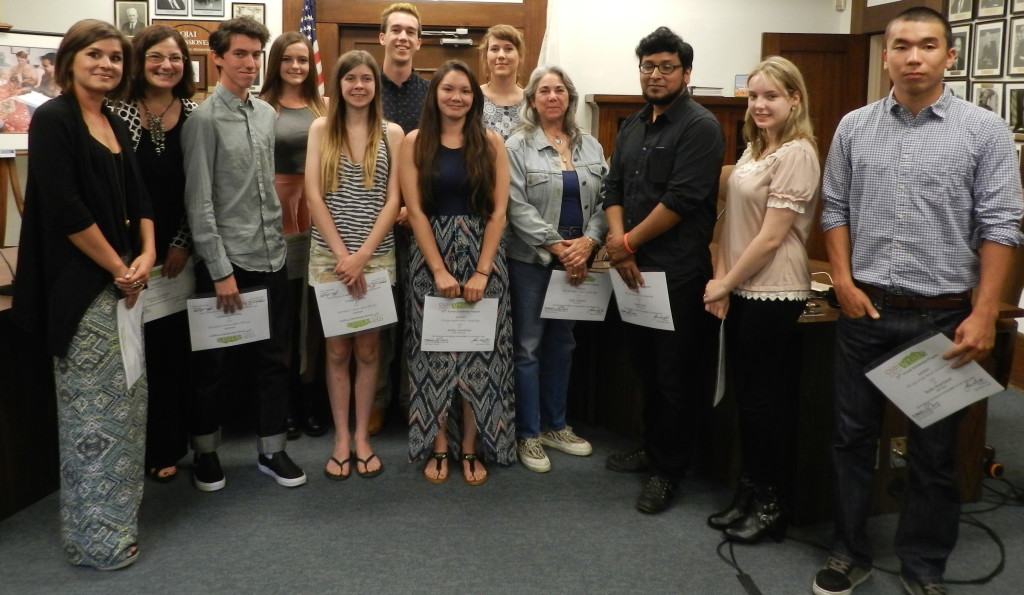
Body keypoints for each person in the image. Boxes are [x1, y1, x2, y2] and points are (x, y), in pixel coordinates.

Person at [811, 8, 1022, 595]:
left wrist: (985, 314)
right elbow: (835, 210)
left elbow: (1002, 225)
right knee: (851, 440)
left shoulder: (984, 131)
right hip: (865, 311)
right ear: (886, 56)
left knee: (932, 453)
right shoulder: (854, 126)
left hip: (946, 318)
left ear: (948, 56)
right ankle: (847, 552)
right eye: (901, 45)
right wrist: (845, 283)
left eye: (927, 45)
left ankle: (923, 564)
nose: (913, 56)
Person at [13, 19, 155, 569]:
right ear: (69, 59)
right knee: (91, 419)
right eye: (95, 54)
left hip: (125, 284)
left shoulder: (114, 120)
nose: (107, 65)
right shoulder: (52, 119)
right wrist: (121, 267)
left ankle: (119, 523)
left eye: (116, 58)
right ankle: (96, 540)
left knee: (127, 408)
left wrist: (143, 255)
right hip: (83, 289)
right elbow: (66, 208)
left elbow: (141, 196)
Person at [603, 27, 724, 514]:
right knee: (646, 369)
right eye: (648, 66)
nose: (655, 75)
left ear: (686, 72)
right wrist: (619, 244)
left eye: (666, 67)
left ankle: (670, 470)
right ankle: (652, 448)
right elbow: (613, 188)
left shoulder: (701, 126)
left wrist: (626, 242)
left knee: (676, 377)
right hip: (632, 271)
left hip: (675, 273)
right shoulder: (632, 125)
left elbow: (682, 200)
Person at [182, 17, 306, 491]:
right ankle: (207, 454)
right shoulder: (202, 120)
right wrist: (219, 271)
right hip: (227, 263)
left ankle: (272, 449)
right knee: (212, 365)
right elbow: (200, 202)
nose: (249, 63)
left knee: (273, 360)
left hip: (272, 256)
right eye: (240, 54)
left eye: (256, 54)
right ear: (217, 58)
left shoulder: (266, 115)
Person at [702, 56, 819, 543]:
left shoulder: (797, 152)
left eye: (771, 95)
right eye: (754, 96)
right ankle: (750, 492)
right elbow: (729, 225)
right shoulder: (754, 150)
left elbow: (771, 238)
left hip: (775, 288)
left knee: (764, 404)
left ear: (794, 99)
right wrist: (722, 278)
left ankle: (772, 503)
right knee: (749, 402)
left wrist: (725, 284)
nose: (760, 104)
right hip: (744, 286)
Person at [400, 59, 514, 486]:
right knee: (435, 356)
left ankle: (471, 445)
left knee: (479, 356)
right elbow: (415, 212)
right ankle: (438, 445)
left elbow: (499, 212)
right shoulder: (414, 142)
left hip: (485, 257)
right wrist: (438, 270)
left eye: (465, 91)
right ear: (435, 95)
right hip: (431, 259)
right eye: (448, 89)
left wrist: (483, 272)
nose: (456, 97)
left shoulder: (491, 143)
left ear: (474, 97)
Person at [305, 50, 403, 480]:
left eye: (367, 79)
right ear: (339, 85)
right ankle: (341, 437)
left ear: (375, 85)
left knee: (368, 351)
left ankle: (362, 436)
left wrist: (363, 254)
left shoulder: (393, 133)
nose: (359, 86)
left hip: (376, 256)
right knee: (336, 349)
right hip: (329, 256)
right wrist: (344, 255)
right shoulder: (321, 128)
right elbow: (313, 195)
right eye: (351, 79)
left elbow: (394, 200)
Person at [504, 65, 606, 473]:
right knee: (528, 346)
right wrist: (558, 247)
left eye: (559, 90)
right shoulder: (516, 146)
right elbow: (515, 206)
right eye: (543, 91)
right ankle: (528, 433)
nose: (551, 97)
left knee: (562, 343)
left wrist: (589, 242)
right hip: (533, 259)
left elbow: (606, 201)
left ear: (570, 98)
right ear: (532, 100)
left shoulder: (592, 147)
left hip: (578, 261)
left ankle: (556, 425)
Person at [109, 25, 197, 484]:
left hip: (179, 254)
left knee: (171, 351)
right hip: (123, 250)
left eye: (176, 58)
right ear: (140, 61)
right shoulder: (115, 110)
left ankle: (166, 445)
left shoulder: (195, 113)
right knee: (130, 351)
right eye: (157, 57)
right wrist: (128, 255)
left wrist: (182, 241)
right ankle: (129, 445)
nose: (167, 65)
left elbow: (199, 187)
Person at [260, 31, 329, 439]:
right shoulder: (263, 107)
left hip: (317, 210)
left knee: (314, 314)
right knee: (283, 314)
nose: (297, 67)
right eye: (288, 60)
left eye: (303, 60)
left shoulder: (323, 107)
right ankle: (283, 401)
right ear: (277, 63)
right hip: (277, 212)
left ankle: (310, 397)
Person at [372, 2, 430, 435]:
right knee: (376, 315)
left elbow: (434, 156)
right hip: (369, 225)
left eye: (411, 31)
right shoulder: (360, 85)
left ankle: (413, 401)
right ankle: (375, 401)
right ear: (383, 37)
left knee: (416, 314)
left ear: (418, 41)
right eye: (396, 30)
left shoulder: (431, 93)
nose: (403, 37)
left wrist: (414, 206)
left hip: (415, 222)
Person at [479, 24, 525, 140]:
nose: (501, 55)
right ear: (486, 56)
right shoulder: (474, 97)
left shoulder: (532, 101)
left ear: (520, 56)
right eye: (494, 49)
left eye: (508, 49)